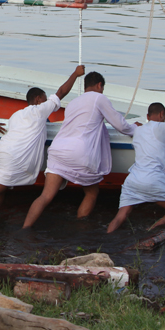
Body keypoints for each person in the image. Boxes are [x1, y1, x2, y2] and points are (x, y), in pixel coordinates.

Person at [0, 65, 85, 227]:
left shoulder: (17, 114)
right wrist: (75, 74)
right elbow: (61, 93)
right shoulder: (40, 110)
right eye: (44, 99)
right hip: (11, 159)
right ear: (38, 100)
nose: (46, 102)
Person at [23, 71, 136, 227]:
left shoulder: (74, 102)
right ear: (99, 85)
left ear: (85, 87)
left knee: (46, 196)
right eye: (102, 88)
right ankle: (80, 230)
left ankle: (25, 228)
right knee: (91, 193)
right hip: (80, 153)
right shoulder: (99, 98)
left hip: (57, 151)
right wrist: (137, 130)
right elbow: (121, 125)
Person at [107, 103, 165, 233]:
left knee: (121, 216)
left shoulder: (138, 130)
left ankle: (106, 239)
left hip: (133, 180)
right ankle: (150, 232)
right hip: (154, 180)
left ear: (147, 116)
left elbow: (140, 130)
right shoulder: (164, 127)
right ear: (162, 115)